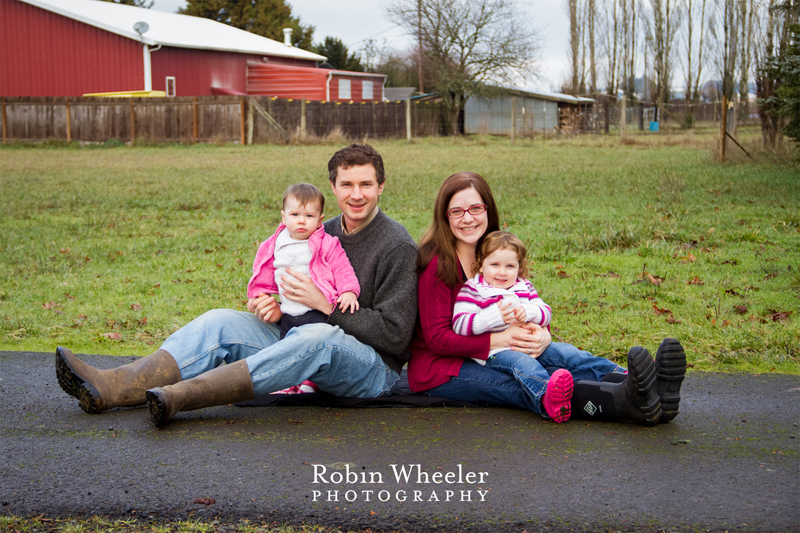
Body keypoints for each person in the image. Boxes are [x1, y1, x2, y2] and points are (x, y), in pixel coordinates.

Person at [55, 144, 419, 426]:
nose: (357, 194)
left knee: (316, 340)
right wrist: (273, 304)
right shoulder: (318, 229)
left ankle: (179, 397)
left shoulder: (396, 245)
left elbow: (396, 337)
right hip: (302, 335)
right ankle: (111, 386)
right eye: (347, 184)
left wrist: (326, 306)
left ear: (381, 186)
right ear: (333, 188)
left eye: (366, 184)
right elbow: (290, 288)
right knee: (220, 320)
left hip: (371, 370)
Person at [407, 171, 686, 425]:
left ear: (488, 211)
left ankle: (644, 385)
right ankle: (624, 403)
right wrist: (501, 339)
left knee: (565, 357)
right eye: (456, 211)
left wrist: (543, 334)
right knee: (530, 382)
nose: (467, 218)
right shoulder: (437, 263)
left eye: (476, 208)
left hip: (498, 350)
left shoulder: (496, 252)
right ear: (445, 217)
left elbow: (527, 302)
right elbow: (437, 339)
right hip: (442, 370)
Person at [451, 230, 574, 422]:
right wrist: (493, 317)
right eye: (495, 265)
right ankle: (547, 396)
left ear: (519, 267)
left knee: (568, 353)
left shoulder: (524, 287)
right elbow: (460, 324)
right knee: (524, 365)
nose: (502, 272)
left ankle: (616, 373)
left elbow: (546, 312)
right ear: (481, 265)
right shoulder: (473, 290)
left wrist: (531, 312)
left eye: (510, 266)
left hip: (531, 345)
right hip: (497, 352)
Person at [247, 182, 360, 340]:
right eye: (295, 215)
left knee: (312, 346)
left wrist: (349, 291)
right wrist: (257, 295)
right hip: (288, 315)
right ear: (283, 217)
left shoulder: (326, 243)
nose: (301, 221)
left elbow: (342, 268)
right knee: (288, 348)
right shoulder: (275, 243)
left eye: (309, 216)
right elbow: (264, 270)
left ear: (320, 220)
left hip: (318, 314)